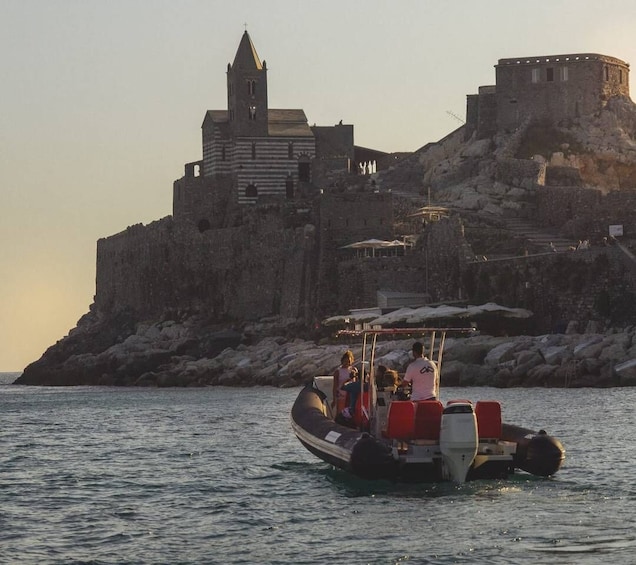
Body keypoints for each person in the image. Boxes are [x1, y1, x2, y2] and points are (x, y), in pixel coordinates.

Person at [332, 350, 357, 416]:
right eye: (345, 361)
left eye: (349, 361)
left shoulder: (354, 370)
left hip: (352, 395)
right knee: (340, 412)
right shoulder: (338, 371)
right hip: (342, 395)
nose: (347, 363)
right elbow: (335, 386)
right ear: (342, 361)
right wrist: (334, 399)